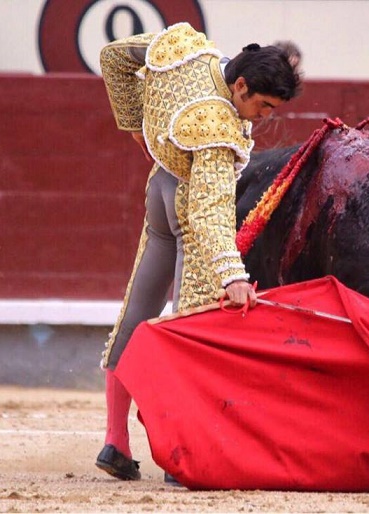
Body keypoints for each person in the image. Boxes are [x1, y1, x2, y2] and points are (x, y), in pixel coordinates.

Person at [95, 21, 302, 482]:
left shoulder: (191, 50)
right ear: (242, 85)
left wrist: (133, 124)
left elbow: (113, 56)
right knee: (189, 327)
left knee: (138, 311)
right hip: (188, 208)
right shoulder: (218, 127)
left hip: (160, 188)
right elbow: (210, 211)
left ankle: (115, 440)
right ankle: (178, 453)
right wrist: (232, 275)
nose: (263, 117)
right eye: (262, 105)